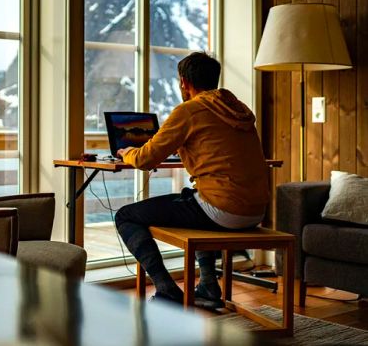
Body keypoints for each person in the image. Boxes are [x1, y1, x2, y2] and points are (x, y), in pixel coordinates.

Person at [114, 51, 269, 308]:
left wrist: (126, 152)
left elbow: (145, 159)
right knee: (192, 197)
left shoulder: (190, 110)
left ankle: (166, 289)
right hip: (256, 210)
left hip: (224, 209)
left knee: (126, 216)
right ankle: (208, 285)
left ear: (184, 82)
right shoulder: (238, 109)